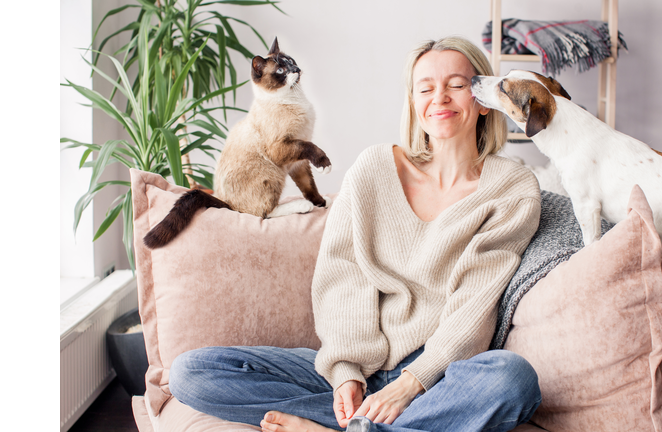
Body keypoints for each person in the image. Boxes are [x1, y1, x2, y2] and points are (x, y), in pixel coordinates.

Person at [169, 35, 542, 432]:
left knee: (513, 378)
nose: (440, 98)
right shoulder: (374, 168)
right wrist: (346, 372)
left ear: (482, 98)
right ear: (414, 104)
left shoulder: (512, 188)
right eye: (426, 88)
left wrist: (411, 385)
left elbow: (476, 302)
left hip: (439, 377)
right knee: (191, 371)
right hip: (361, 367)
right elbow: (344, 275)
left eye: (456, 85)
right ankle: (366, 424)